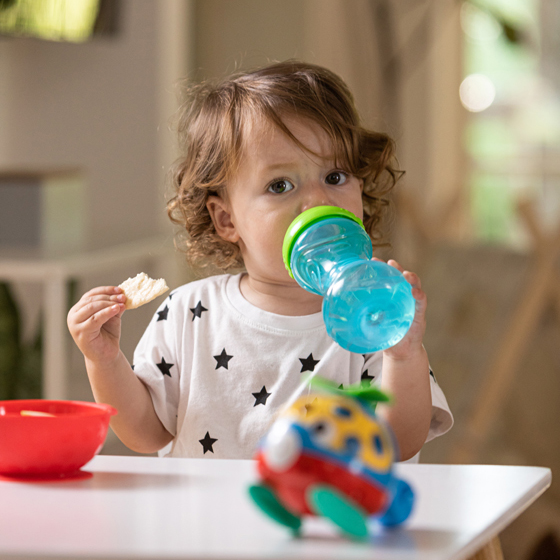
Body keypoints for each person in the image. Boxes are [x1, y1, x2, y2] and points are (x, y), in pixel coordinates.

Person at [67, 61, 452, 461]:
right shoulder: (189, 312)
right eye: (280, 185)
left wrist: (403, 354)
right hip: (205, 523)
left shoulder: (370, 318)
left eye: (335, 177)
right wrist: (105, 361)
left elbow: (399, 445)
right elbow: (145, 434)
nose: (319, 202)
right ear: (227, 219)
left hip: (325, 520)